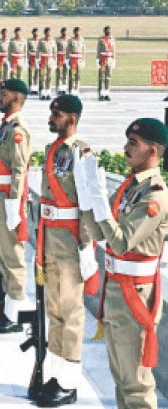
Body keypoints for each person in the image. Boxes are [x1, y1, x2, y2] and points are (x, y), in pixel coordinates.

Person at [81, 118, 168, 409]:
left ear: (152, 151)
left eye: (133, 143)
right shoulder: (131, 186)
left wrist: (100, 203)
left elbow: (121, 242)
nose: (125, 148)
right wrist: (88, 198)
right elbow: (101, 232)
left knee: (137, 386)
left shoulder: (154, 194)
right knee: (121, 379)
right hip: (117, 289)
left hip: (136, 295)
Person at [34, 94, 98, 407]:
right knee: (55, 310)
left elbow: (88, 204)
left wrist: (87, 247)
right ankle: (55, 374)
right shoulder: (52, 150)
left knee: (72, 312)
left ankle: (69, 383)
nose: (51, 118)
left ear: (71, 119)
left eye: (56, 114)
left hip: (72, 241)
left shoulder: (82, 153)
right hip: (51, 237)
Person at [0, 79, 31, 334]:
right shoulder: (6, 125)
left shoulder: (17, 129)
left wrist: (14, 204)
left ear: (16, 98)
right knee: (2, 256)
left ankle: (14, 315)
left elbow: (19, 170)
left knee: (13, 257)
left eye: (4, 94)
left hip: (8, 199)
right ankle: (5, 309)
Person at [37, 27, 57, 100]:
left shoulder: (53, 41)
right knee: (42, 77)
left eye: (49, 33)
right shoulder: (41, 41)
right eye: (47, 33)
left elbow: (55, 52)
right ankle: (42, 92)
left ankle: (48, 92)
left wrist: (55, 61)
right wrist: (37, 60)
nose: (48, 35)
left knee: (49, 77)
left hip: (50, 61)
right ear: (44, 33)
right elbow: (38, 51)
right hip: (43, 60)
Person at [97, 25, 115, 101]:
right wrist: (97, 60)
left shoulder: (112, 40)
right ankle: (101, 94)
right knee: (101, 77)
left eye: (109, 31)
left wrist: (113, 60)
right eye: (107, 31)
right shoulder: (101, 40)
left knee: (108, 77)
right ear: (104, 31)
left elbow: (113, 50)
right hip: (103, 59)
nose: (108, 32)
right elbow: (98, 50)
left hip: (109, 59)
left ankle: (107, 93)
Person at [67, 27, 85, 95]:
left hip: (79, 60)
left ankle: (76, 89)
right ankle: (71, 90)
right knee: (72, 76)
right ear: (74, 32)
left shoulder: (82, 40)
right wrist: (67, 60)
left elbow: (83, 50)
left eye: (78, 31)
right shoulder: (71, 40)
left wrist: (83, 60)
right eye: (76, 31)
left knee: (78, 75)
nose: (77, 33)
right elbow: (68, 50)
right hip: (73, 60)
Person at [55, 27, 69, 95]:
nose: (64, 34)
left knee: (65, 74)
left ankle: (64, 88)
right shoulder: (58, 40)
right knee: (59, 74)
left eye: (65, 32)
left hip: (66, 58)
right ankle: (59, 88)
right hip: (60, 58)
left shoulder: (68, 40)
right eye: (63, 32)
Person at [27, 28, 40, 93]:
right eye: (34, 33)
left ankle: (36, 88)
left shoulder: (40, 41)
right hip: (32, 58)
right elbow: (27, 50)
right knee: (31, 73)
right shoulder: (29, 41)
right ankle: (31, 88)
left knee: (37, 73)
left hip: (38, 58)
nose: (36, 34)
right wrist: (27, 59)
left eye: (37, 33)